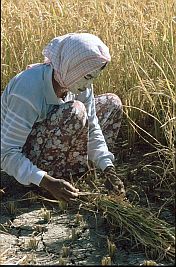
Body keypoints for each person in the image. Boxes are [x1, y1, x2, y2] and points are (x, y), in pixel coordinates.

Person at [1, 33, 125, 202]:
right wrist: (47, 182)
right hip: (25, 162)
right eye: (87, 77)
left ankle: (77, 171)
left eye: (93, 78)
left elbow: (93, 127)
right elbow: (6, 153)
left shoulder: (78, 84)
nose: (88, 85)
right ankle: (44, 181)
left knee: (112, 103)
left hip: (55, 145)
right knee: (76, 111)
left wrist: (108, 168)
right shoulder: (28, 89)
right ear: (70, 67)